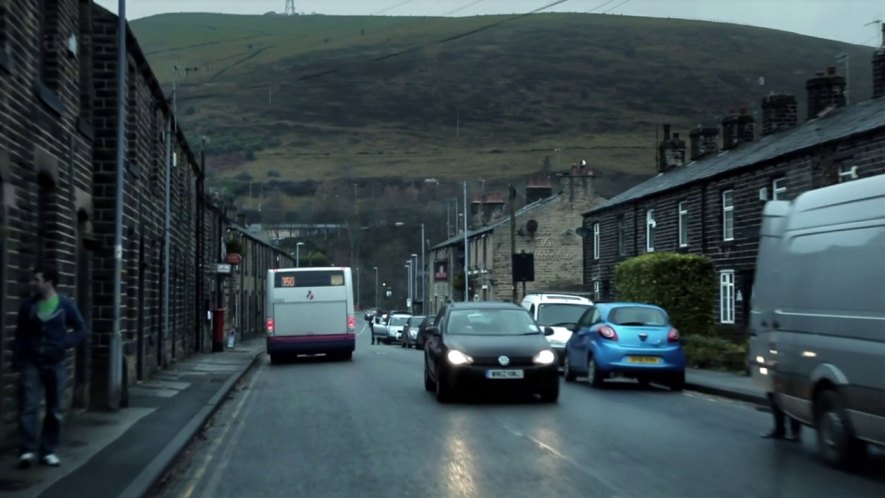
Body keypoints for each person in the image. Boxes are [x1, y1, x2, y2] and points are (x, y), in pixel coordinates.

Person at [12, 267, 87, 468]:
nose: (33, 283)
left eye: (37, 279)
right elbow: (20, 335)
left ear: (49, 282)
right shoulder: (28, 306)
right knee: (29, 406)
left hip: (56, 363)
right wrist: (17, 360)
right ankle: (27, 451)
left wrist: (64, 342)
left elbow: (81, 329)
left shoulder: (65, 305)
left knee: (54, 408)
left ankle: (48, 451)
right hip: (31, 363)